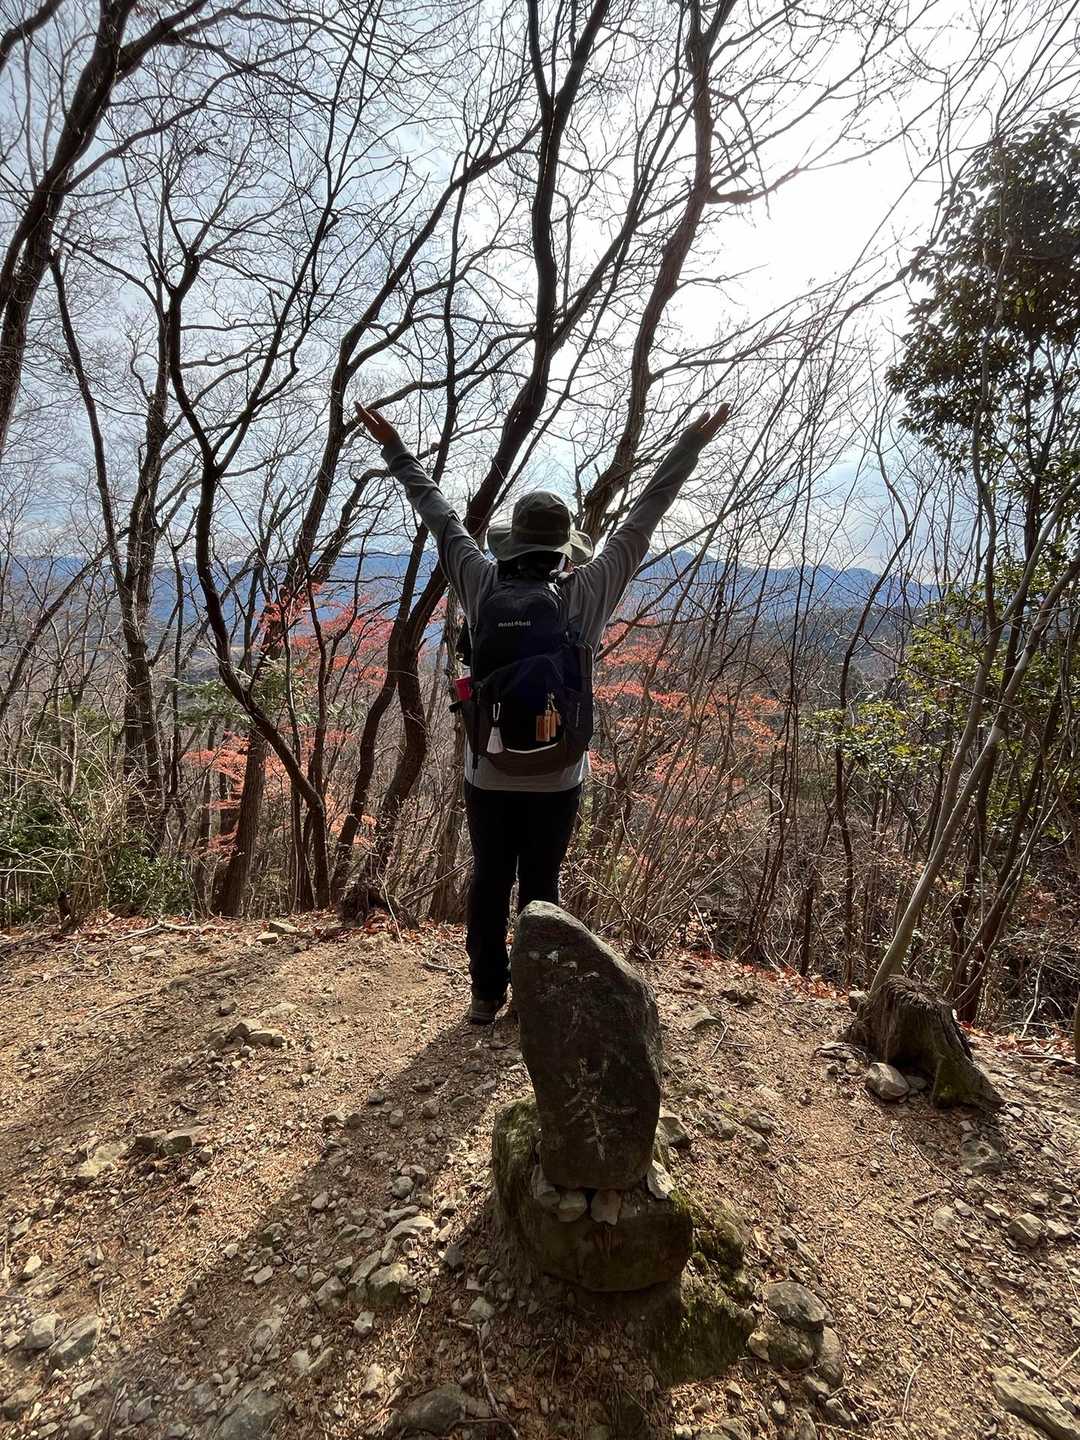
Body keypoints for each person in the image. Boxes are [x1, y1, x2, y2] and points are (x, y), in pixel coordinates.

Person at [354, 400, 730, 1022]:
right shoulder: (588, 589)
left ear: (513, 542)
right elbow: (645, 517)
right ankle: (534, 1000)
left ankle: (485, 994)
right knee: (541, 885)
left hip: (488, 767)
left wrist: (395, 449)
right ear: (562, 547)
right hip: (559, 772)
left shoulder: (480, 582)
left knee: (489, 878)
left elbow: (439, 515)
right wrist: (690, 442)